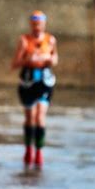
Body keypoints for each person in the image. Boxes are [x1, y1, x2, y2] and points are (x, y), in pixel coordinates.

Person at [11, 10, 58, 167]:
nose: (37, 27)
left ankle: (39, 152)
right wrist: (28, 59)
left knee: (40, 116)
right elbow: (14, 64)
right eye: (35, 24)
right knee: (30, 116)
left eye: (40, 24)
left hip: (45, 82)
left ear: (44, 25)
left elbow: (55, 58)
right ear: (31, 25)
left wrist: (50, 60)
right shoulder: (24, 41)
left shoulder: (50, 40)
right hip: (27, 82)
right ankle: (28, 149)